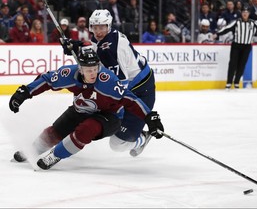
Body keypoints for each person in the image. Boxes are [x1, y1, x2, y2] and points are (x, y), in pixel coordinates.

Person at [9, 47, 164, 170]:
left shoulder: (107, 81)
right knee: (55, 132)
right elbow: (47, 80)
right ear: (80, 68)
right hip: (81, 109)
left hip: (110, 116)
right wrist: (25, 92)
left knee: (86, 129)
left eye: (95, 68)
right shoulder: (68, 74)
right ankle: (34, 149)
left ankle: (56, 155)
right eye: (88, 69)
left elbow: (131, 100)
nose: (93, 73)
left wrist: (150, 117)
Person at [60, 9, 158, 157]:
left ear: (109, 26)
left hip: (140, 93)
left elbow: (120, 84)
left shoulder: (110, 49)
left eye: (102, 27)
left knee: (117, 144)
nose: (98, 32)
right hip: (131, 88)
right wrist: (76, 46)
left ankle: (142, 138)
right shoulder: (105, 38)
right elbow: (94, 47)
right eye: (95, 27)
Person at [214, 6, 257, 89]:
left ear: (249, 14)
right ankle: (229, 82)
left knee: (242, 65)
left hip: (247, 47)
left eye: (246, 12)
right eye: (243, 12)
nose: (245, 13)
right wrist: (217, 34)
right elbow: (227, 28)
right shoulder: (236, 22)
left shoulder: (253, 23)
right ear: (241, 13)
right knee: (232, 64)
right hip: (236, 46)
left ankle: (237, 82)